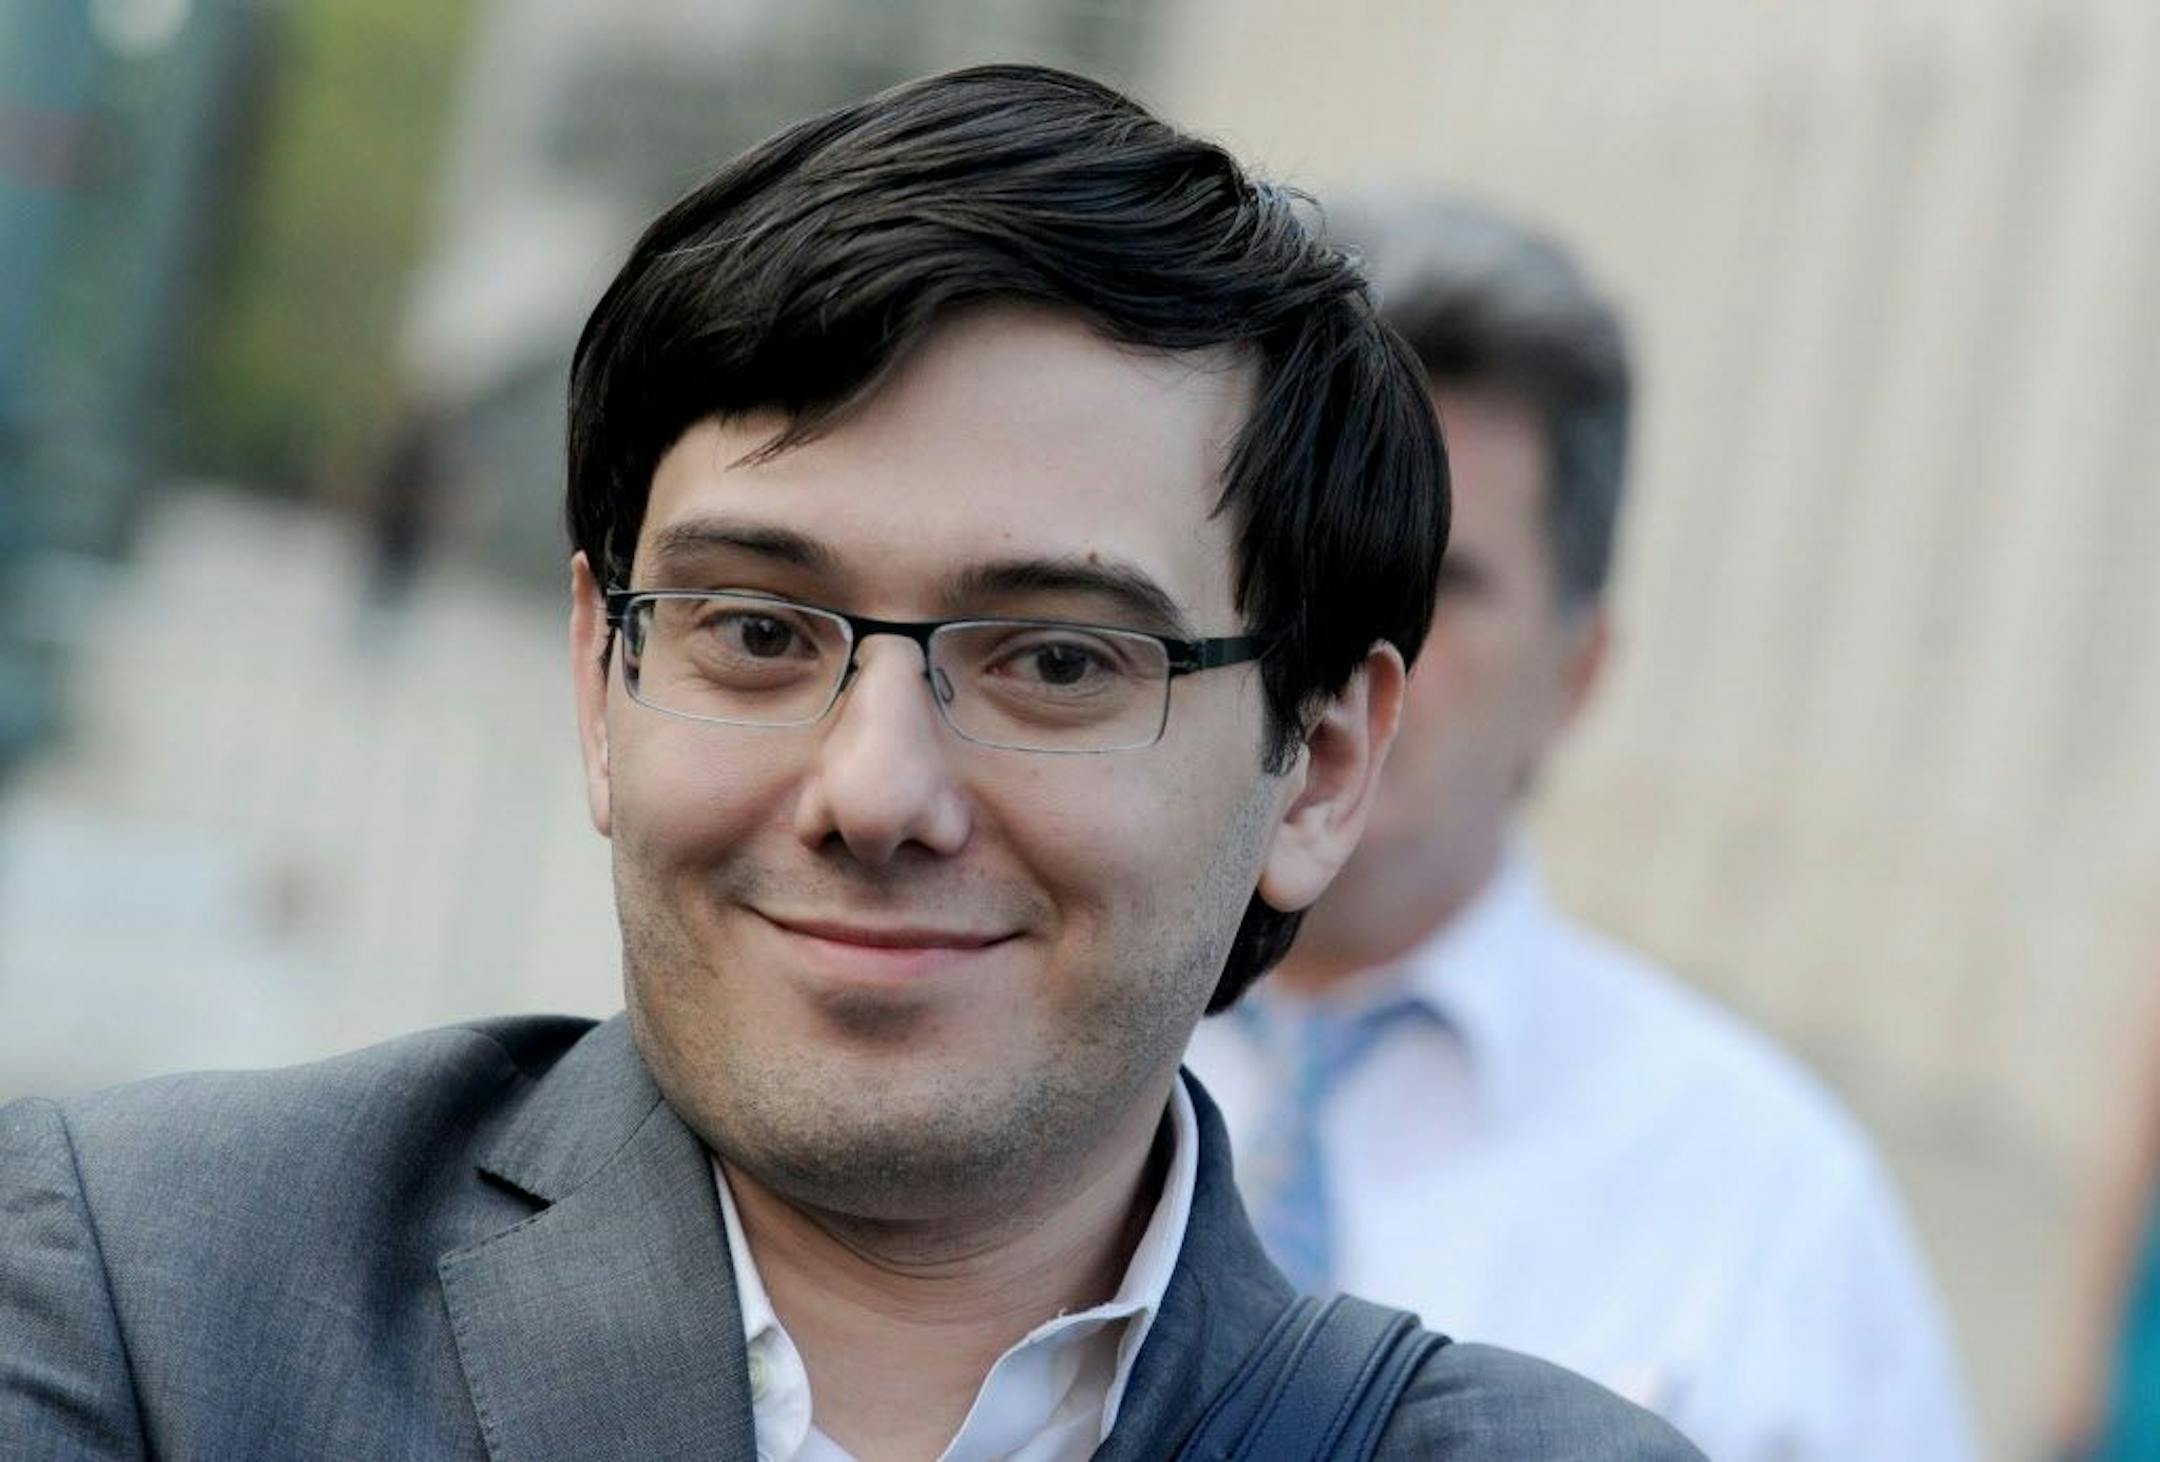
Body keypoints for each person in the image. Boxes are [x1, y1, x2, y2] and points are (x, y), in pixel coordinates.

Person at [0, 69, 1700, 1460]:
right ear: (604, 678)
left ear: (1321, 765)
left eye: (1052, 659)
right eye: (758, 630)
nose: (875, 790)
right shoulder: (150, 1303)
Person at [1185, 193, 1974, 1462]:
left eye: (1442, 583)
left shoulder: (1767, 1200)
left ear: (1578, 671)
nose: (1348, 652)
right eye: (1305, 561)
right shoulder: (1002, 1064)